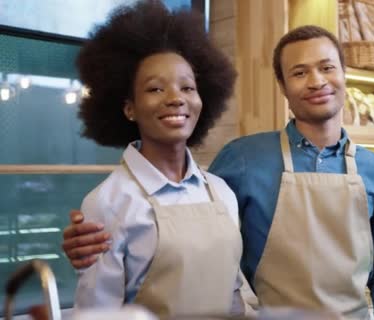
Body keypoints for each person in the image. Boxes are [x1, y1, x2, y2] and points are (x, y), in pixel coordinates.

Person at [63, 25, 374, 320]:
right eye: (299, 72)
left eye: (327, 67)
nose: (316, 81)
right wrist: (85, 243)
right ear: (282, 86)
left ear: (344, 74)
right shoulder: (242, 161)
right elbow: (185, 228)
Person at [68, 1, 247, 319]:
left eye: (187, 87)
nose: (175, 98)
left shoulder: (222, 193)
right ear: (129, 108)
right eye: (155, 88)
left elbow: (234, 296)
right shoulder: (107, 203)